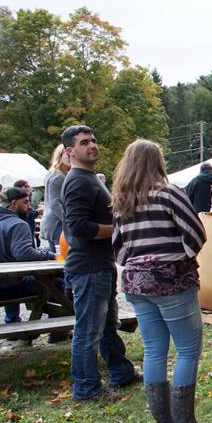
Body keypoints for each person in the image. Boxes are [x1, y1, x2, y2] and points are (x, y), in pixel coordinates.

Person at [110, 140, 212, 423]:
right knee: (186, 350)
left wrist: (137, 264)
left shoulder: (121, 200)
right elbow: (196, 232)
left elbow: (118, 247)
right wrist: (180, 259)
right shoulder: (168, 193)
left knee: (154, 351)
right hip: (171, 281)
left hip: (136, 283)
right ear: (157, 162)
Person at [60, 124, 138, 401]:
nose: (92, 145)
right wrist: (118, 228)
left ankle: (121, 371)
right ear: (70, 151)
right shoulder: (78, 180)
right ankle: (86, 387)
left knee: (106, 325)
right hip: (87, 267)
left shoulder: (90, 178)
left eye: (93, 140)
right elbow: (79, 227)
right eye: (84, 142)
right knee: (88, 330)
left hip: (100, 265)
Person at [0, 187, 56, 324]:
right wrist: (50, 255)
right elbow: (24, 253)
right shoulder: (17, 224)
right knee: (56, 284)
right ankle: (59, 329)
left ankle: (14, 322)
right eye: (26, 202)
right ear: (14, 204)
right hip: (8, 286)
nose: (29, 206)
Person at [40, 143, 71, 252]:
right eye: (67, 154)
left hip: (54, 224)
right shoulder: (58, 177)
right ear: (60, 156)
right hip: (57, 224)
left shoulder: (53, 174)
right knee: (62, 258)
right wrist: (70, 220)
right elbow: (54, 204)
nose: (70, 157)